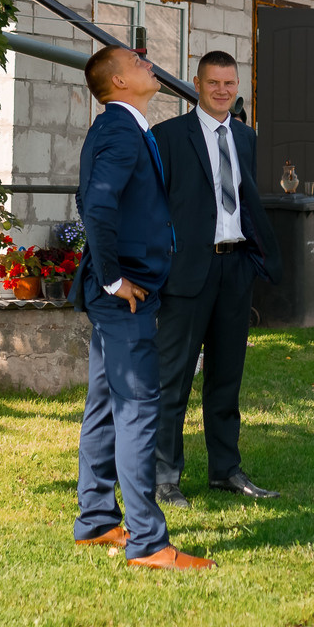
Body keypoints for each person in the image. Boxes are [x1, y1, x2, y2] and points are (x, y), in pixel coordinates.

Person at [71, 45, 212, 570]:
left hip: (121, 290)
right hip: (123, 296)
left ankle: (96, 520)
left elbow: (96, 200)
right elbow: (96, 205)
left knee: (105, 403)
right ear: (118, 82)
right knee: (137, 409)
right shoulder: (119, 130)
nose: (148, 64)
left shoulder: (122, 127)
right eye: (136, 62)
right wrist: (113, 279)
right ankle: (149, 543)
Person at [152, 50, 281, 507]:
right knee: (173, 380)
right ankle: (164, 477)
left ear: (237, 85)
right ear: (197, 84)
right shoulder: (168, 136)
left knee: (226, 378)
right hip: (186, 273)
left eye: (229, 83)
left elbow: (247, 200)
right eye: (213, 83)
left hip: (234, 268)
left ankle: (225, 470)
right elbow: (153, 206)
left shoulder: (246, 137)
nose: (222, 91)